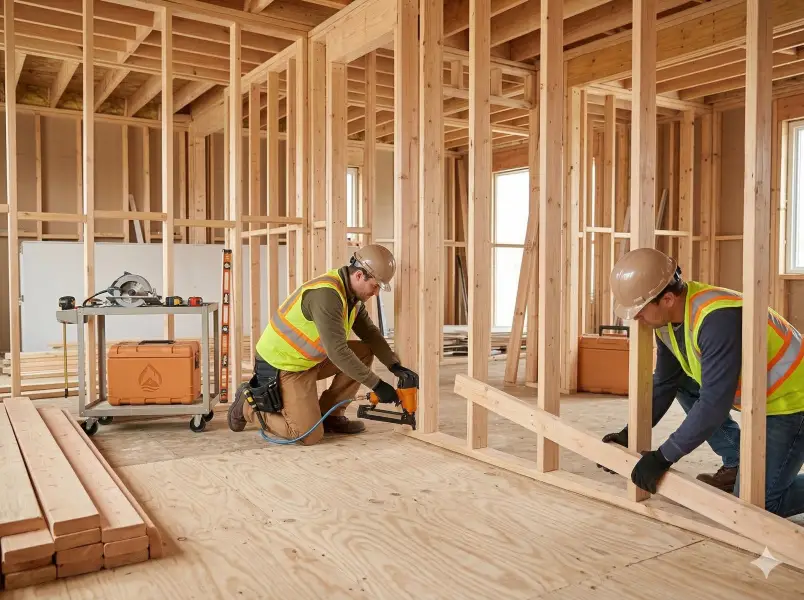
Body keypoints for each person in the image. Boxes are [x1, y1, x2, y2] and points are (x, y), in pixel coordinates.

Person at [602, 247, 804, 518]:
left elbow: (713, 405)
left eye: (639, 310)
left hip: (793, 402)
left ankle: (748, 476)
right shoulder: (666, 321)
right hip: (765, 396)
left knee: (760, 504)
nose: (636, 318)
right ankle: (738, 461)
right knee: (683, 382)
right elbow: (665, 383)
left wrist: (663, 457)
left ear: (668, 299)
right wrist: (629, 433)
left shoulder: (715, 320)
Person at [227, 244, 418, 445]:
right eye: (375, 286)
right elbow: (337, 352)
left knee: (364, 351)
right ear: (359, 275)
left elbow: (370, 334)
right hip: (284, 365)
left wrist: (394, 365)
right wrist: (377, 385)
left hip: (308, 360)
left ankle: (331, 416)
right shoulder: (327, 296)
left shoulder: (351, 298)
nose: (376, 293)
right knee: (307, 435)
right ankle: (247, 407)